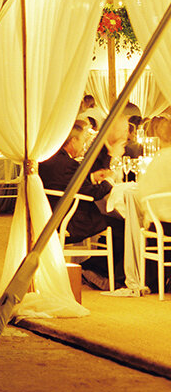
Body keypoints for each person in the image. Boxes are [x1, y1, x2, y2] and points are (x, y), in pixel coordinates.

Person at [38, 119, 126, 289]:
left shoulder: (52, 159)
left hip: (53, 213)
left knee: (114, 223)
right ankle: (98, 270)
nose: (83, 145)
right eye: (82, 140)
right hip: (71, 220)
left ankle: (97, 269)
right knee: (122, 225)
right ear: (73, 141)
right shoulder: (67, 164)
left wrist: (93, 178)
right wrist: (109, 180)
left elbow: (71, 184)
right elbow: (93, 194)